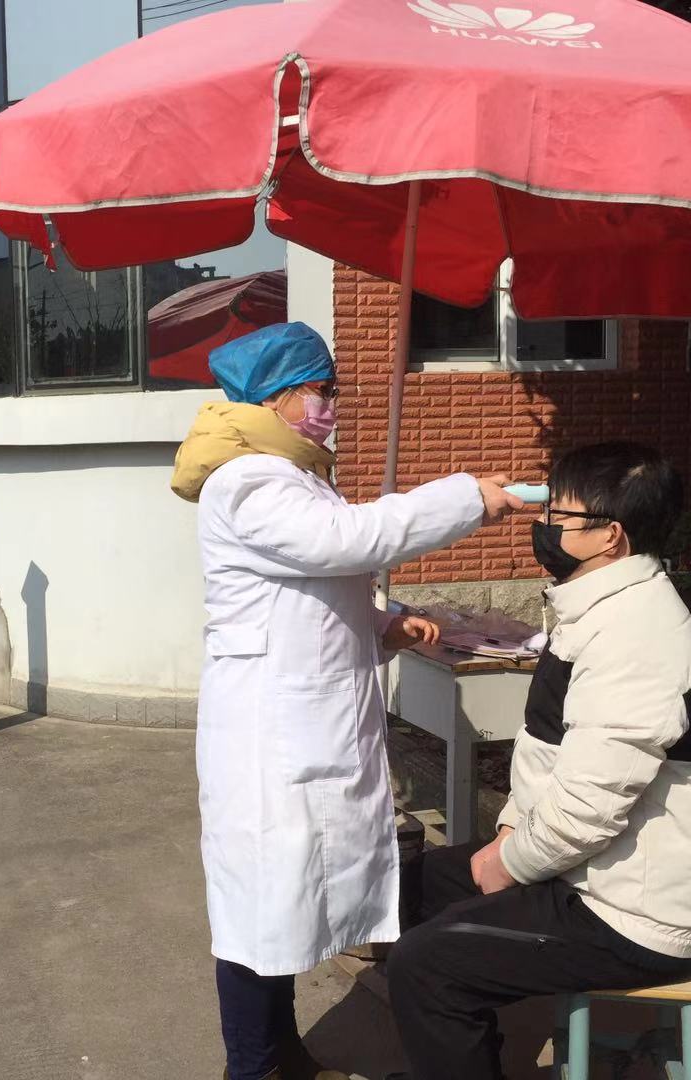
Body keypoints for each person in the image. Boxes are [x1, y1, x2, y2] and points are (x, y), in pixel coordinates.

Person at [170, 321, 523, 1080]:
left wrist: (383, 625)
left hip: (301, 724)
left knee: (283, 908)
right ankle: (255, 1069)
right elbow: (347, 540)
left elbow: (313, 588)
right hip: (267, 739)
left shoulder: (291, 475)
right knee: (260, 914)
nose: (330, 405)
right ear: (276, 395)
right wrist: (466, 497)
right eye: (321, 390)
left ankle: (283, 1058)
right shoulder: (248, 480)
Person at [386, 441, 691, 1080]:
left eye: (560, 515)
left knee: (426, 965)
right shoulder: (598, 606)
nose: (543, 525)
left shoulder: (639, 637)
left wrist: (509, 861)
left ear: (610, 537)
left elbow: (588, 806)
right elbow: (549, 756)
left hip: (630, 914)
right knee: (413, 887)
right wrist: (511, 832)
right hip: (587, 872)